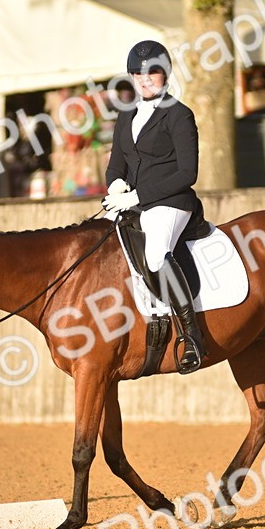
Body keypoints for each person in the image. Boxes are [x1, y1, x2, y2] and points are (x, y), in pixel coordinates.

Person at [102, 40, 207, 374]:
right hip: (132, 202)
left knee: (157, 254)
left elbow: (187, 174)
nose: (144, 79)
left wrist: (137, 196)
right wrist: (115, 185)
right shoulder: (126, 116)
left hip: (170, 202)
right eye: (137, 73)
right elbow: (115, 166)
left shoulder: (178, 114)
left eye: (152, 72)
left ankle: (192, 336)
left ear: (166, 74)